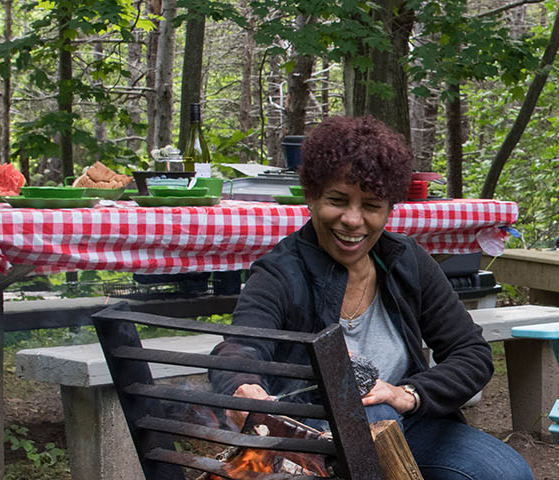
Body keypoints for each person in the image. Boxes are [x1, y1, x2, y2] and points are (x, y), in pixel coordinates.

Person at [209, 116, 534, 480]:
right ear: (311, 197)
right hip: (315, 440)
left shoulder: (405, 260)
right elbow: (241, 348)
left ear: (389, 209)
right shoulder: (280, 272)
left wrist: (408, 393)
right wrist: (242, 386)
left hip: (408, 425)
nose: (353, 219)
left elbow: (471, 352)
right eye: (338, 200)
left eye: (371, 205)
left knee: (507, 473)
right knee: (364, 412)